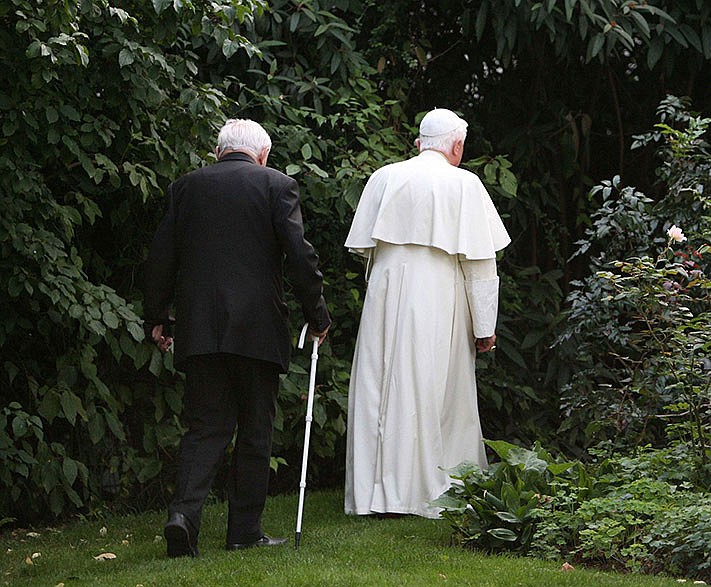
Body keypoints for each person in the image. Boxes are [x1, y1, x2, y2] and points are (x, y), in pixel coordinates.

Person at [143, 118, 331, 557]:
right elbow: (301, 257)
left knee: (205, 426)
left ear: (218, 152)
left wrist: (158, 317)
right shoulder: (276, 185)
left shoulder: (185, 188)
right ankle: (243, 530)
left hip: (201, 328)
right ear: (262, 154)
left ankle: (183, 516)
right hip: (258, 328)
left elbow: (160, 257)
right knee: (255, 429)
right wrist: (317, 316)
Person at [343, 108, 510, 518]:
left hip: (385, 291)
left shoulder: (384, 177)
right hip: (439, 295)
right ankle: (430, 492)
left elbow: (366, 249)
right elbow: (480, 265)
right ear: (456, 145)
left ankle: (374, 496)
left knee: (379, 386)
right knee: (434, 389)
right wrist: (484, 327)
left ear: (420, 142)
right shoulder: (464, 183)